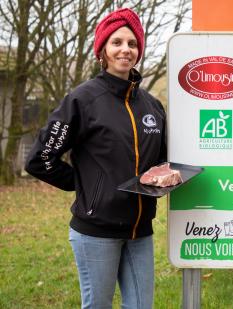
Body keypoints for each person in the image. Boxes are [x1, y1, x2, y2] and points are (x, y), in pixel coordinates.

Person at [25, 8, 166, 309]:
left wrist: (169, 175)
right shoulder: (82, 100)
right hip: (96, 231)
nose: (125, 50)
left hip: (140, 231)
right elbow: (40, 158)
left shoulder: (151, 106)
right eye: (116, 42)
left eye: (131, 43)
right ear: (102, 49)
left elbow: (161, 161)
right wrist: (86, 185)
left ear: (139, 49)